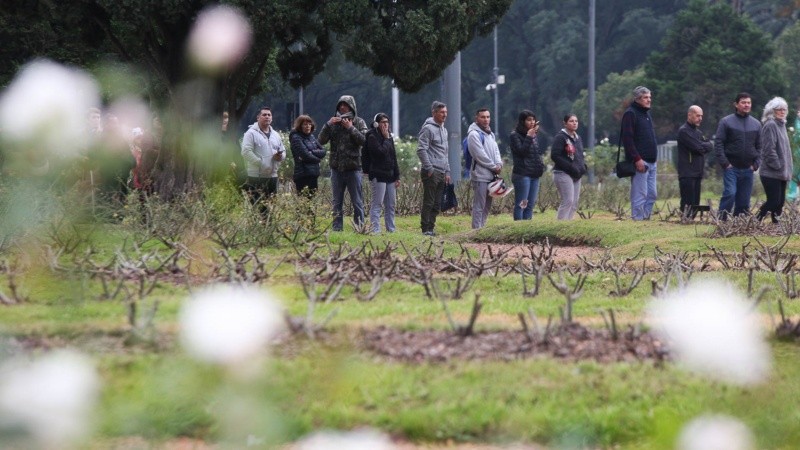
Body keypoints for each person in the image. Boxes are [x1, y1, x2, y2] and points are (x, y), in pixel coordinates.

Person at [318, 95, 368, 231]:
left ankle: (359, 227)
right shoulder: (333, 123)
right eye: (340, 105)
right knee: (336, 202)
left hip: (354, 168)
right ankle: (337, 228)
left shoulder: (359, 122)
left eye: (345, 105)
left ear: (351, 106)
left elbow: (364, 141)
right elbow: (321, 141)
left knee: (357, 201)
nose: (342, 107)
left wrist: (350, 128)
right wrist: (327, 125)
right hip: (336, 168)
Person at [714, 92, 761, 220]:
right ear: (736, 104)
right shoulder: (726, 122)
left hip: (748, 169)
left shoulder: (756, 124)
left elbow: (760, 146)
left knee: (744, 201)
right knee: (730, 193)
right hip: (731, 168)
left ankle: (739, 224)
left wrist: (756, 164)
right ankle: (722, 222)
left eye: (749, 103)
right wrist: (725, 163)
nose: (746, 105)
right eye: (743, 102)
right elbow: (718, 143)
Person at [621, 86, 658, 220]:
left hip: (652, 161)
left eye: (649, 97)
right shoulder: (630, 114)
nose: (649, 100)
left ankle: (645, 219)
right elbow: (628, 139)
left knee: (652, 194)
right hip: (640, 161)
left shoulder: (646, 114)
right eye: (645, 97)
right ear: (637, 99)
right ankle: (637, 220)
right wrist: (637, 159)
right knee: (640, 194)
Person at [241, 106, 286, 211]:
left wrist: (279, 157)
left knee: (271, 207)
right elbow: (246, 152)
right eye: (264, 115)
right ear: (258, 118)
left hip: (272, 176)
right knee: (258, 208)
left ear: (272, 118)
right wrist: (261, 163)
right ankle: (257, 227)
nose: (267, 117)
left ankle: (269, 227)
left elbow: (283, 151)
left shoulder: (276, 135)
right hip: (256, 176)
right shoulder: (250, 133)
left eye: (269, 115)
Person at [416, 101, 451, 236]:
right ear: (434, 113)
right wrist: (429, 168)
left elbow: (445, 152)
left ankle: (431, 228)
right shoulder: (428, 129)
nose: (445, 115)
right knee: (429, 201)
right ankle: (425, 229)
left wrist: (447, 170)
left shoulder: (444, 130)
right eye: (442, 112)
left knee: (437, 203)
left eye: (446, 112)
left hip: (442, 171)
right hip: (431, 171)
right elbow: (421, 149)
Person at [756, 97, 793, 223]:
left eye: (784, 109)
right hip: (771, 172)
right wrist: (778, 165)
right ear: (772, 111)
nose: (782, 112)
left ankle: (776, 224)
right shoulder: (771, 125)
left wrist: (785, 168)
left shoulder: (781, 124)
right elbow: (768, 150)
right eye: (779, 109)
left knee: (780, 202)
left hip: (781, 172)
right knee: (773, 201)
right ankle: (756, 220)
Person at [363, 113, 400, 233]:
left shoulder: (389, 137)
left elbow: (393, 157)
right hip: (378, 175)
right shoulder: (371, 136)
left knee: (391, 205)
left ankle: (391, 229)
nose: (385, 124)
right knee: (377, 204)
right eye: (383, 122)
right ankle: (375, 230)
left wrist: (397, 176)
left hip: (390, 175)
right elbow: (380, 152)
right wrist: (386, 138)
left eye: (387, 122)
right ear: (376, 124)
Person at [467, 108, 502, 229]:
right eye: (483, 117)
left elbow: (496, 151)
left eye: (488, 117)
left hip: (491, 176)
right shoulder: (473, 135)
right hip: (480, 175)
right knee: (479, 205)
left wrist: (499, 163)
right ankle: (476, 230)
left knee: (487, 205)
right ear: (476, 118)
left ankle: (482, 228)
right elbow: (479, 155)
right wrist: (493, 166)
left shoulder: (490, 134)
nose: (486, 119)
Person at [676, 105, 713, 218]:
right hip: (687, 172)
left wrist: (702, 146)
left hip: (698, 172)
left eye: (701, 116)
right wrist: (702, 146)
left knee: (696, 201)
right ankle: (686, 220)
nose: (700, 118)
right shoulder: (684, 131)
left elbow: (710, 146)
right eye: (697, 115)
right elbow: (698, 148)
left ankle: (691, 220)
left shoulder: (698, 133)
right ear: (689, 115)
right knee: (688, 201)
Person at [550, 114, 587, 220]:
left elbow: (579, 155)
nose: (574, 123)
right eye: (571, 121)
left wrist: (583, 167)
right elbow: (555, 155)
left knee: (574, 203)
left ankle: (568, 225)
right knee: (568, 201)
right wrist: (570, 167)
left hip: (577, 174)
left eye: (576, 121)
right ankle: (560, 225)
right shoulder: (561, 137)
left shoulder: (578, 138)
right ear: (565, 123)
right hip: (563, 173)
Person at [509, 110, 544, 220]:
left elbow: (535, 154)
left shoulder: (533, 136)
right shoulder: (515, 135)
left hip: (534, 174)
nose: (532, 122)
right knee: (522, 204)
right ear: (522, 121)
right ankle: (518, 229)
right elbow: (522, 152)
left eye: (533, 119)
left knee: (529, 205)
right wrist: (529, 137)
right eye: (529, 120)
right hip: (523, 175)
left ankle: (527, 230)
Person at [289, 115, 327, 198]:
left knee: (312, 202)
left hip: (313, 174)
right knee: (304, 203)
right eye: (305, 124)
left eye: (309, 124)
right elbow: (305, 155)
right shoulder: (296, 138)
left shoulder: (312, 137)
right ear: (300, 126)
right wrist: (318, 159)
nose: (308, 126)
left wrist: (312, 152)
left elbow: (323, 151)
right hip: (303, 175)